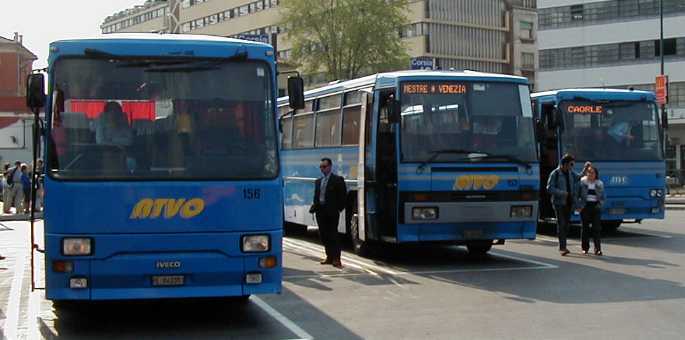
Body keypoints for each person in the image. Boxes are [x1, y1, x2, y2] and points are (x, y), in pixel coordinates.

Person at [310, 158, 347, 268]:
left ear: (330, 167)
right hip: (320, 211)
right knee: (323, 235)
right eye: (321, 167)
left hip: (331, 212)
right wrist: (315, 207)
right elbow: (316, 196)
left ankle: (336, 259)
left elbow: (343, 196)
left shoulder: (337, 180)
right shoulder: (318, 181)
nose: (322, 169)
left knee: (333, 235)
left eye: (324, 166)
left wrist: (339, 208)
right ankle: (329, 257)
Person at [546, 153, 582, 256]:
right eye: (570, 164)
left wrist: (585, 169)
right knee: (561, 224)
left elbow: (578, 177)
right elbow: (549, 188)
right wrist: (562, 193)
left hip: (569, 203)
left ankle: (563, 245)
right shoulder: (555, 173)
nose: (571, 167)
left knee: (566, 225)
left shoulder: (571, 172)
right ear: (564, 164)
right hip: (559, 203)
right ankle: (562, 247)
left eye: (572, 165)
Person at [579, 164, 605, 256]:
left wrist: (600, 205)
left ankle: (597, 249)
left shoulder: (599, 183)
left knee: (596, 228)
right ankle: (584, 248)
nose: (590, 174)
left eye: (592, 172)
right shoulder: (582, 182)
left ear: (596, 174)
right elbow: (577, 194)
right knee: (585, 228)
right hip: (585, 206)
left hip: (595, 206)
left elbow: (602, 197)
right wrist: (579, 205)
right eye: (589, 172)